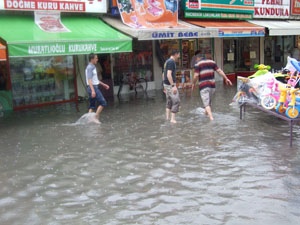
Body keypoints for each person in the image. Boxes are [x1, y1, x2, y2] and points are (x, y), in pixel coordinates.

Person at [192, 54, 232, 121]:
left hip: (204, 86)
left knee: (206, 103)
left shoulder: (198, 64)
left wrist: (193, 83)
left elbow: (196, 76)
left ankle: (211, 118)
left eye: (196, 59)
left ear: (199, 58)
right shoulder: (212, 62)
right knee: (208, 102)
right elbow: (219, 71)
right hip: (212, 86)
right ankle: (205, 114)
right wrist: (226, 78)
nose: (196, 60)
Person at [86, 53, 110, 123]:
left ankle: (89, 120)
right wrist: (93, 90)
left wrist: (103, 84)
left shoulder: (91, 67)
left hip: (91, 87)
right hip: (93, 88)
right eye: (96, 58)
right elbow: (89, 80)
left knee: (92, 106)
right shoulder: (90, 67)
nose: (97, 59)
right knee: (103, 102)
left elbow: (95, 80)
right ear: (92, 59)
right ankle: (95, 117)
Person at [162, 49, 180, 123]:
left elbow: (163, 74)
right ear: (175, 54)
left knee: (169, 100)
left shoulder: (167, 61)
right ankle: (172, 119)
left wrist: (164, 85)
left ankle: (167, 118)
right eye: (178, 54)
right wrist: (173, 86)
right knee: (176, 100)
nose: (179, 56)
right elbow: (168, 74)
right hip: (170, 84)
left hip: (166, 84)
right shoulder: (171, 62)